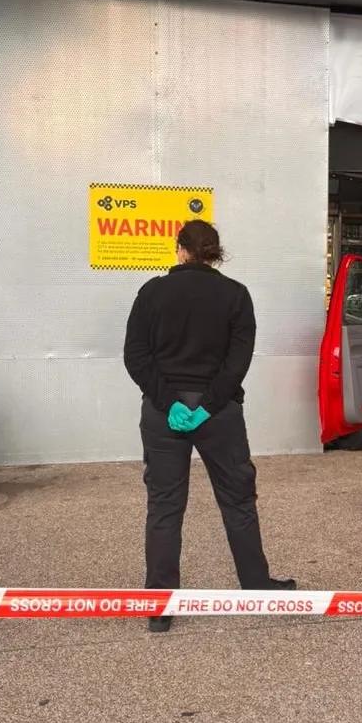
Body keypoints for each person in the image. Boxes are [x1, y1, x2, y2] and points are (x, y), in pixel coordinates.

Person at [124, 219, 293, 633]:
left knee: (164, 505)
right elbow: (238, 362)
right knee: (238, 500)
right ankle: (256, 588)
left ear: (180, 249)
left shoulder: (151, 292)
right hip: (219, 415)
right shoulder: (236, 295)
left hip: (163, 415)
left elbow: (136, 355)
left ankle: (160, 607)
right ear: (215, 253)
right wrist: (208, 405)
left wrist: (168, 402)